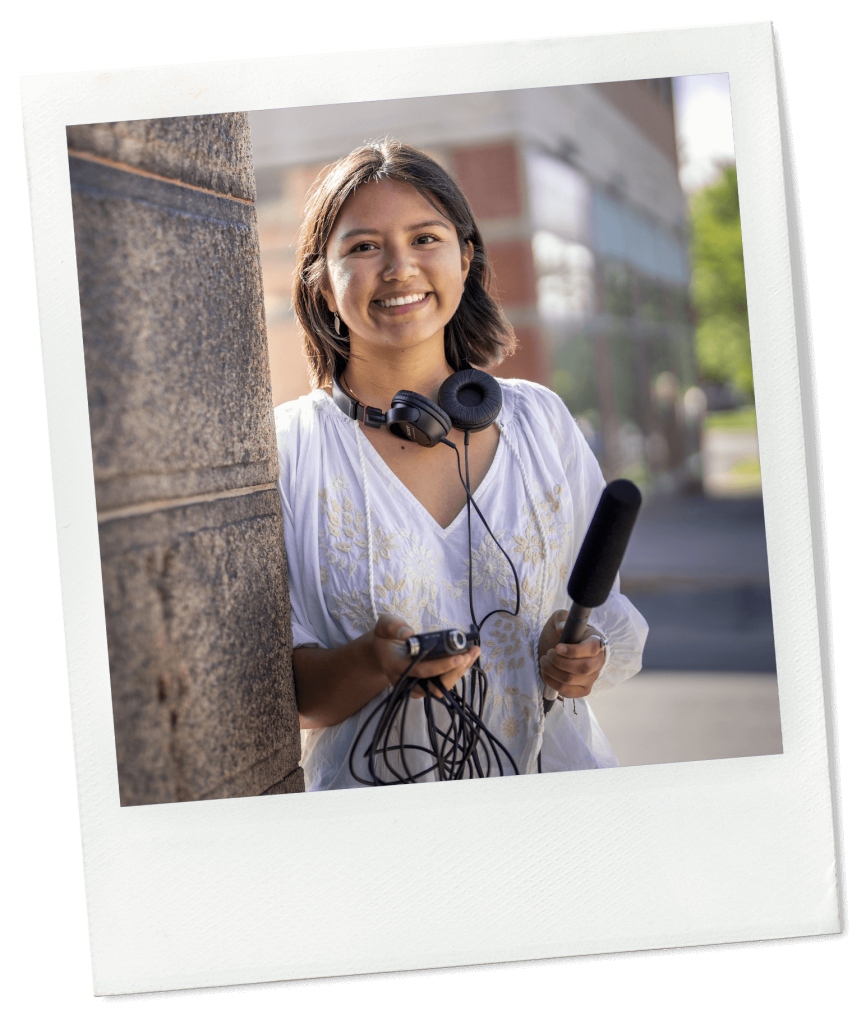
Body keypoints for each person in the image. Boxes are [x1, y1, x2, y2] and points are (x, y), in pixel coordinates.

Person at [276, 137, 648, 790]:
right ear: (322, 285)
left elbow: (612, 620)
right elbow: (289, 696)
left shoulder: (541, 422)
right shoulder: (289, 449)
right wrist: (372, 664)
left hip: (562, 811)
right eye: (364, 247)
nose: (399, 268)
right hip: (380, 844)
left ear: (465, 258)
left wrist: (586, 653)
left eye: (425, 238)